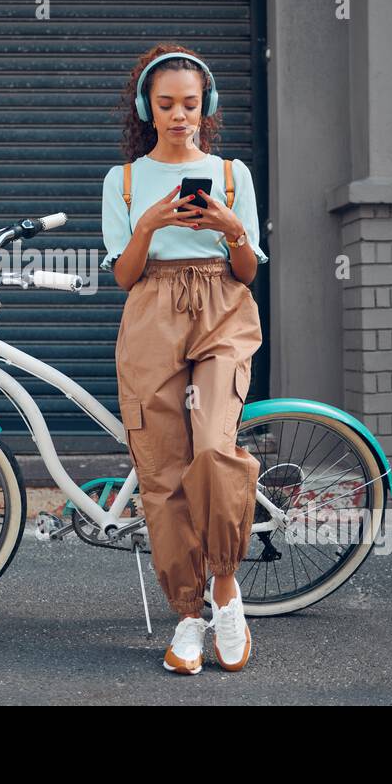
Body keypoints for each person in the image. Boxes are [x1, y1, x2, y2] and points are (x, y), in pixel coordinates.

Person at [100, 44, 268, 675]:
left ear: (207, 107)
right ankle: (188, 615)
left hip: (222, 309)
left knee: (213, 447)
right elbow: (123, 276)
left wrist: (232, 228)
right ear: (147, 107)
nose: (179, 116)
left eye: (190, 104)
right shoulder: (120, 180)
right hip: (151, 314)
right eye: (166, 104)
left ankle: (226, 586)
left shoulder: (231, 175)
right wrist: (145, 225)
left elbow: (248, 273)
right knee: (163, 471)